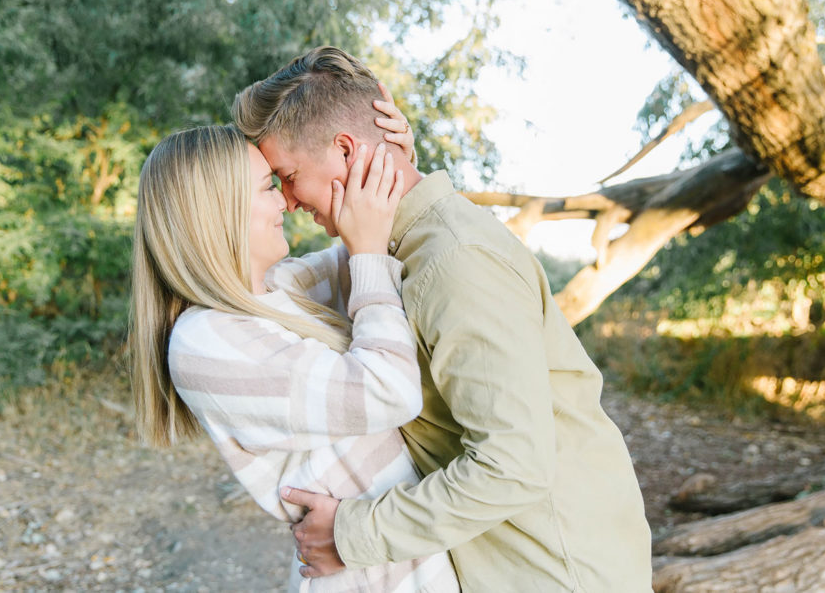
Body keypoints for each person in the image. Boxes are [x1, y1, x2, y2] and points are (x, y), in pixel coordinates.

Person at [233, 46, 653, 591]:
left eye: (288, 176)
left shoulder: (454, 261)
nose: (287, 200)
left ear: (344, 150)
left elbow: (513, 464)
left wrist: (350, 534)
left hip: (557, 570)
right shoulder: (400, 251)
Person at [128, 117, 460, 592]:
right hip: (369, 578)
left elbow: (378, 243)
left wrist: (390, 166)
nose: (286, 199)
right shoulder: (205, 342)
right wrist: (366, 252)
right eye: (268, 186)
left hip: (397, 560)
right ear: (218, 210)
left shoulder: (274, 293)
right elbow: (390, 390)